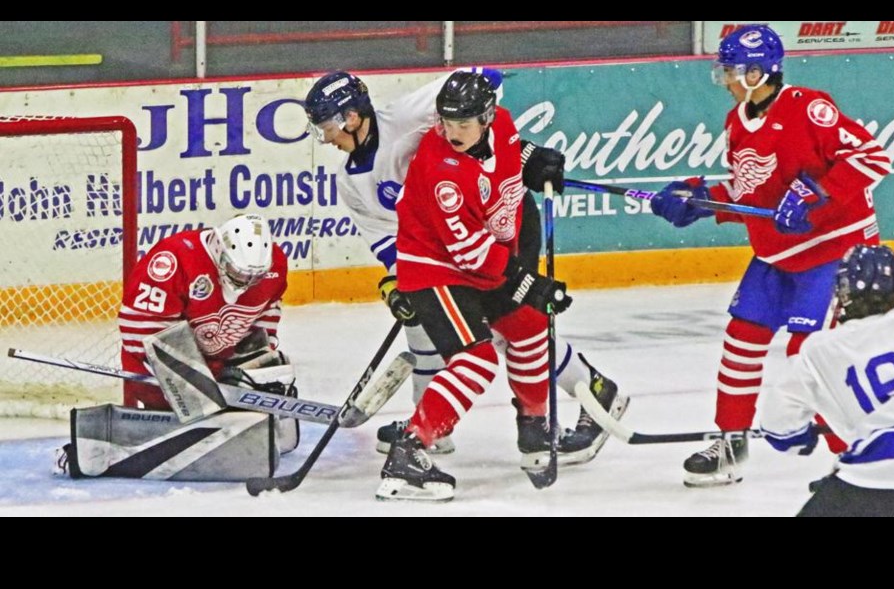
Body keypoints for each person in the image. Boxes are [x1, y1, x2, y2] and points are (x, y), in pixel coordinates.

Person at [304, 69, 628, 465]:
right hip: (449, 251)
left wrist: (524, 155)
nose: (327, 138)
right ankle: (430, 426)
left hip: (498, 232)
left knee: (519, 323)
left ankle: (589, 393)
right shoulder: (351, 182)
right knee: (431, 326)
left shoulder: (408, 117)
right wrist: (398, 280)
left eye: (327, 127)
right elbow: (386, 236)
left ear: (351, 118)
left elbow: (483, 85)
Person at [648, 24, 893, 487]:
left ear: (759, 72)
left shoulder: (809, 108)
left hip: (833, 251)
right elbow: (751, 196)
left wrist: (815, 195)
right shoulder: (738, 121)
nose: (726, 80)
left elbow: (872, 158)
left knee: (813, 354)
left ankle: (853, 457)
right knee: (741, 338)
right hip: (777, 256)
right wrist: (700, 200)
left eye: (732, 71)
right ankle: (730, 442)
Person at [374, 70, 575, 501]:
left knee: (530, 327)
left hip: (483, 265)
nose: (452, 132)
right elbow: (470, 255)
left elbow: (511, 151)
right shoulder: (440, 170)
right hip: (435, 272)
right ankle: (409, 452)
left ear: (486, 118)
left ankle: (534, 426)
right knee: (476, 359)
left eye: (462, 124)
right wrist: (528, 284)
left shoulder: (500, 123)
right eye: (446, 122)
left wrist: (534, 160)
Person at [58, 213, 296, 481]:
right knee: (193, 420)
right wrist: (193, 386)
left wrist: (254, 367)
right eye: (237, 272)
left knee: (268, 374)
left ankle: (247, 425)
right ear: (219, 249)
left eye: (253, 276)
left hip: (220, 364)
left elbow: (266, 314)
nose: (245, 281)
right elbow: (140, 331)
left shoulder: (275, 265)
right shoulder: (173, 260)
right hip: (161, 370)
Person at [759, 244, 894, 517]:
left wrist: (799, 440)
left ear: (843, 291)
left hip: (873, 473)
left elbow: (778, 425)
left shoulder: (819, 349)